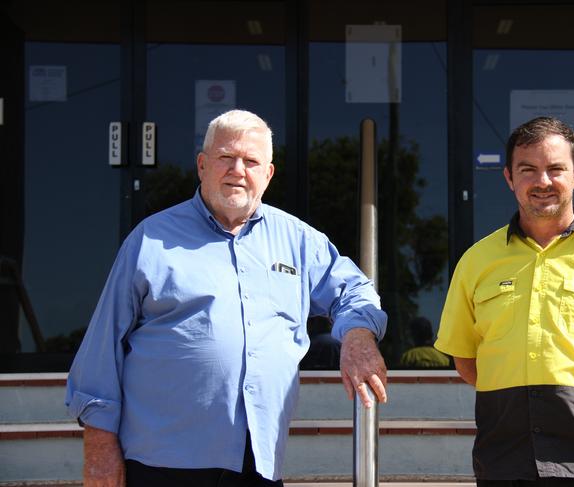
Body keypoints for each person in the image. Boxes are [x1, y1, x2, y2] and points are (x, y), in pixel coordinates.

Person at [66, 109, 388, 487]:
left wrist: (357, 335)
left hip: (257, 463)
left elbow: (356, 290)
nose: (238, 169)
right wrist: (100, 446)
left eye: (251, 161)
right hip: (163, 463)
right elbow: (102, 350)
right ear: (202, 166)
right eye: (225, 158)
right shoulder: (149, 241)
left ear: (267, 175)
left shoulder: (299, 241)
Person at [435, 116, 574, 486]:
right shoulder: (476, 261)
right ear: (509, 177)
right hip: (505, 456)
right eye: (528, 169)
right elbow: (466, 361)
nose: (543, 181)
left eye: (556, 169)